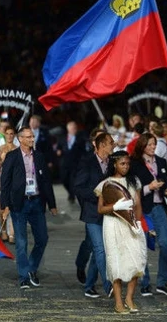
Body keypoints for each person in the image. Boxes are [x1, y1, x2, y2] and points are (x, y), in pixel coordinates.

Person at [0, 126, 58, 289]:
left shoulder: (39, 156)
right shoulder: (12, 157)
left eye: (33, 136)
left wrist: (52, 204)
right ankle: (23, 276)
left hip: (37, 202)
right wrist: (4, 206)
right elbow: (5, 183)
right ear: (21, 139)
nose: (32, 139)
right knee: (21, 241)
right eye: (29, 137)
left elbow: (46, 181)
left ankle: (31, 268)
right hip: (19, 203)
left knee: (42, 238)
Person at [95, 151, 146, 314]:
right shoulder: (106, 183)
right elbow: (101, 209)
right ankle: (118, 302)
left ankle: (129, 297)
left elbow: (138, 205)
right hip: (113, 224)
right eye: (122, 164)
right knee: (115, 261)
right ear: (114, 164)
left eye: (128, 163)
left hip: (131, 224)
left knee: (136, 260)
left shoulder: (134, 181)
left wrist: (138, 223)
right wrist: (115, 207)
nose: (126, 167)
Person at [129, 133, 167, 297]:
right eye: (149, 145)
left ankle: (162, 283)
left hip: (159, 207)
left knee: (165, 243)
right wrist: (149, 187)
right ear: (142, 146)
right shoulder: (134, 164)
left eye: (154, 145)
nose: (153, 147)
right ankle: (145, 282)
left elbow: (166, 181)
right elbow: (132, 189)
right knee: (142, 246)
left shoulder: (161, 162)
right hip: (142, 208)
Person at [73, 131, 114, 298]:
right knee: (100, 249)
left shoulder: (113, 163)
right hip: (92, 213)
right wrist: (97, 195)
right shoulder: (87, 162)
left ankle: (89, 285)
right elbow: (79, 187)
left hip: (109, 213)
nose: (114, 145)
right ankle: (108, 285)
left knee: (99, 250)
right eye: (111, 142)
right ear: (102, 145)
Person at [0, 125, 17, 243]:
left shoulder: (18, 149)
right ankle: (4, 231)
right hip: (2, 180)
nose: (10, 136)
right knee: (2, 209)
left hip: (15, 180)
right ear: (4, 135)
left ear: (14, 135)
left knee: (14, 208)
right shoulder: (0, 148)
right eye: (7, 133)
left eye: (12, 134)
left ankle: (13, 233)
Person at [56, 121, 87, 203]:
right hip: (64, 163)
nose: (74, 129)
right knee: (64, 179)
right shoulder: (62, 138)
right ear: (68, 129)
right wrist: (58, 151)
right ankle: (70, 192)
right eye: (72, 128)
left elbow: (83, 151)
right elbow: (58, 147)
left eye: (75, 128)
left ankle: (72, 195)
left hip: (75, 163)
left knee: (72, 181)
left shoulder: (80, 139)